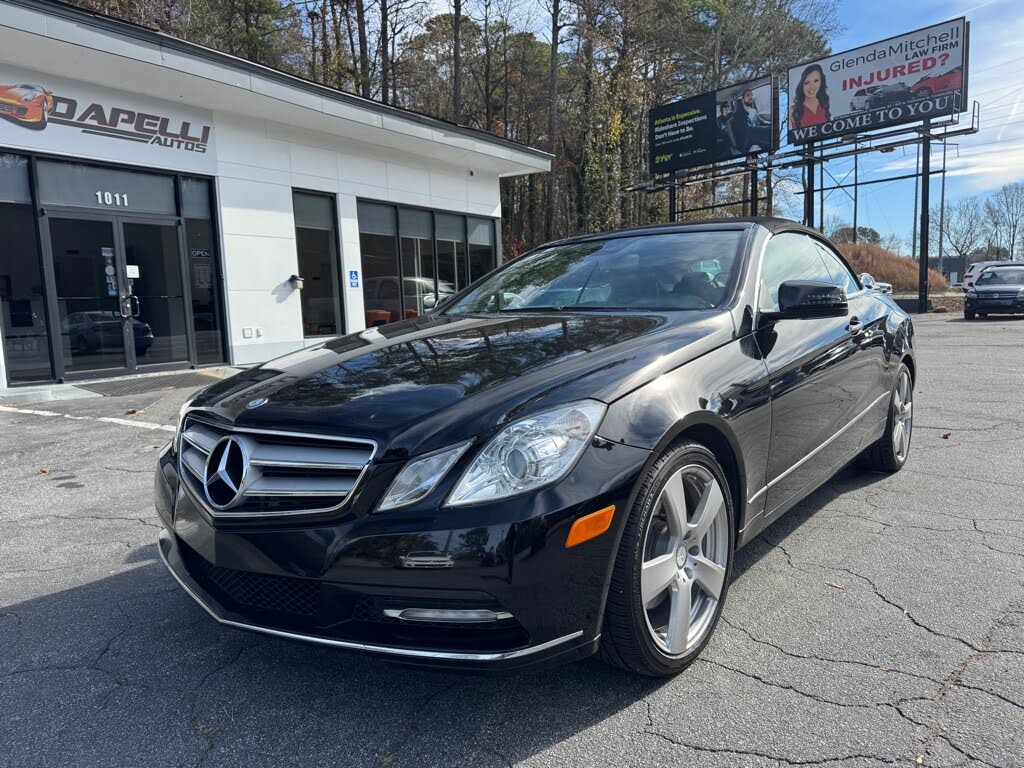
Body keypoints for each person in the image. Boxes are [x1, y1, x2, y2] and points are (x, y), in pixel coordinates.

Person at [790, 64, 830, 129]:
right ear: (802, 85)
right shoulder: (795, 110)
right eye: (807, 82)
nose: (811, 86)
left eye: (816, 81)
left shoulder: (823, 104)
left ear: (821, 82)